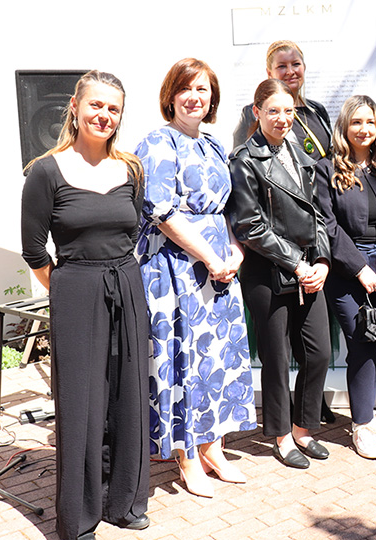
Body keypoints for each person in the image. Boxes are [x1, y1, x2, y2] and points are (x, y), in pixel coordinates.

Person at [21, 70, 150, 540]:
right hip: (76, 290)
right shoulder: (45, 171)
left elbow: (132, 233)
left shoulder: (131, 169)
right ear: (74, 107)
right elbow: (34, 250)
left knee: (128, 396)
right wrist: (72, 288)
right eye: (96, 105)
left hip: (127, 285)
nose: (104, 115)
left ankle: (125, 502)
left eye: (113, 108)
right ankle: (79, 516)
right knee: (82, 403)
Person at [136, 58, 256, 499]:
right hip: (175, 267)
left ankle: (213, 449)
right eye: (185, 89)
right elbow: (161, 211)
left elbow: (225, 210)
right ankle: (186, 457)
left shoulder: (213, 145)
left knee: (217, 360)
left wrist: (235, 252)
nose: (194, 97)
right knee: (185, 361)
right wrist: (208, 256)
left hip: (219, 269)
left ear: (212, 98)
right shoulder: (157, 142)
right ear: (170, 96)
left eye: (203, 89)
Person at [228, 78, 333, 470]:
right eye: (273, 111)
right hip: (268, 273)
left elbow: (319, 213)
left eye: (288, 111)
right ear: (257, 112)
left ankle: (303, 428)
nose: (282, 118)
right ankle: (282, 436)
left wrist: (321, 261)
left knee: (319, 352)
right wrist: (297, 263)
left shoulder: (301, 152)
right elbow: (250, 225)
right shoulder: (244, 159)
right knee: (277, 358)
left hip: (308, 269)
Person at [316, 95, 376, 458]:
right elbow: (327, 226)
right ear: (344, 127)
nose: (364, 129)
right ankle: (360, 426)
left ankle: (367, 414)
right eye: (356, 122)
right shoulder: (326, 169)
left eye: (370, 122)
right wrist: (359, 268)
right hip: (347, 268)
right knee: (360, 338)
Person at [232, 39, 332, 160]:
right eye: (282, 66)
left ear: (304, 67)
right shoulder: (253, 113)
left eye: (296, 64)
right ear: (269, 73)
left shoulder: (316, 110)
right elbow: (241, 158)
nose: (290, 71)